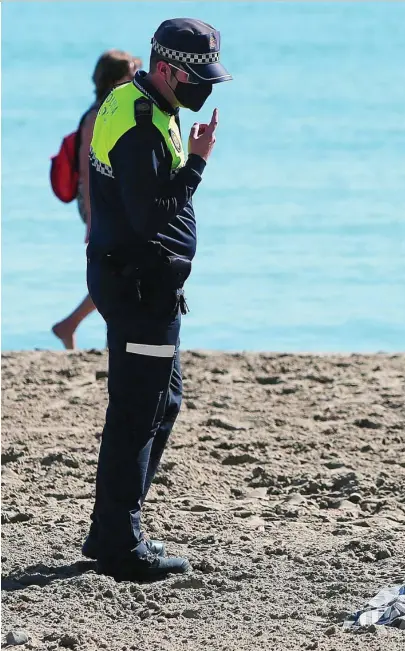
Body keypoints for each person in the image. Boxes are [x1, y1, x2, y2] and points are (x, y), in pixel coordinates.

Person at [82, 18, 232, 581]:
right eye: (199, 78)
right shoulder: (143, 123)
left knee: (161, 403)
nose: (206, 89)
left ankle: (113, 523)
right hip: (139, 286)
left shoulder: (140, 100)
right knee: (138, 412)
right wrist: (197, 163)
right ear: (167, 69)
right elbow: (151, 215)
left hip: (141, 283)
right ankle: (119, 540)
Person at [52, 50, 142, 350]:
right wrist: (92, 218)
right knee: (116, 273)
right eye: (131, 74)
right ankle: (73, 325)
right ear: (115, 78)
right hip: (98, 205)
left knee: (122, 272)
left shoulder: (114, 109)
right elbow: (88, 173)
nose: (136, 79)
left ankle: (84, 330)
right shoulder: (96, 115)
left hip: (114, 204)